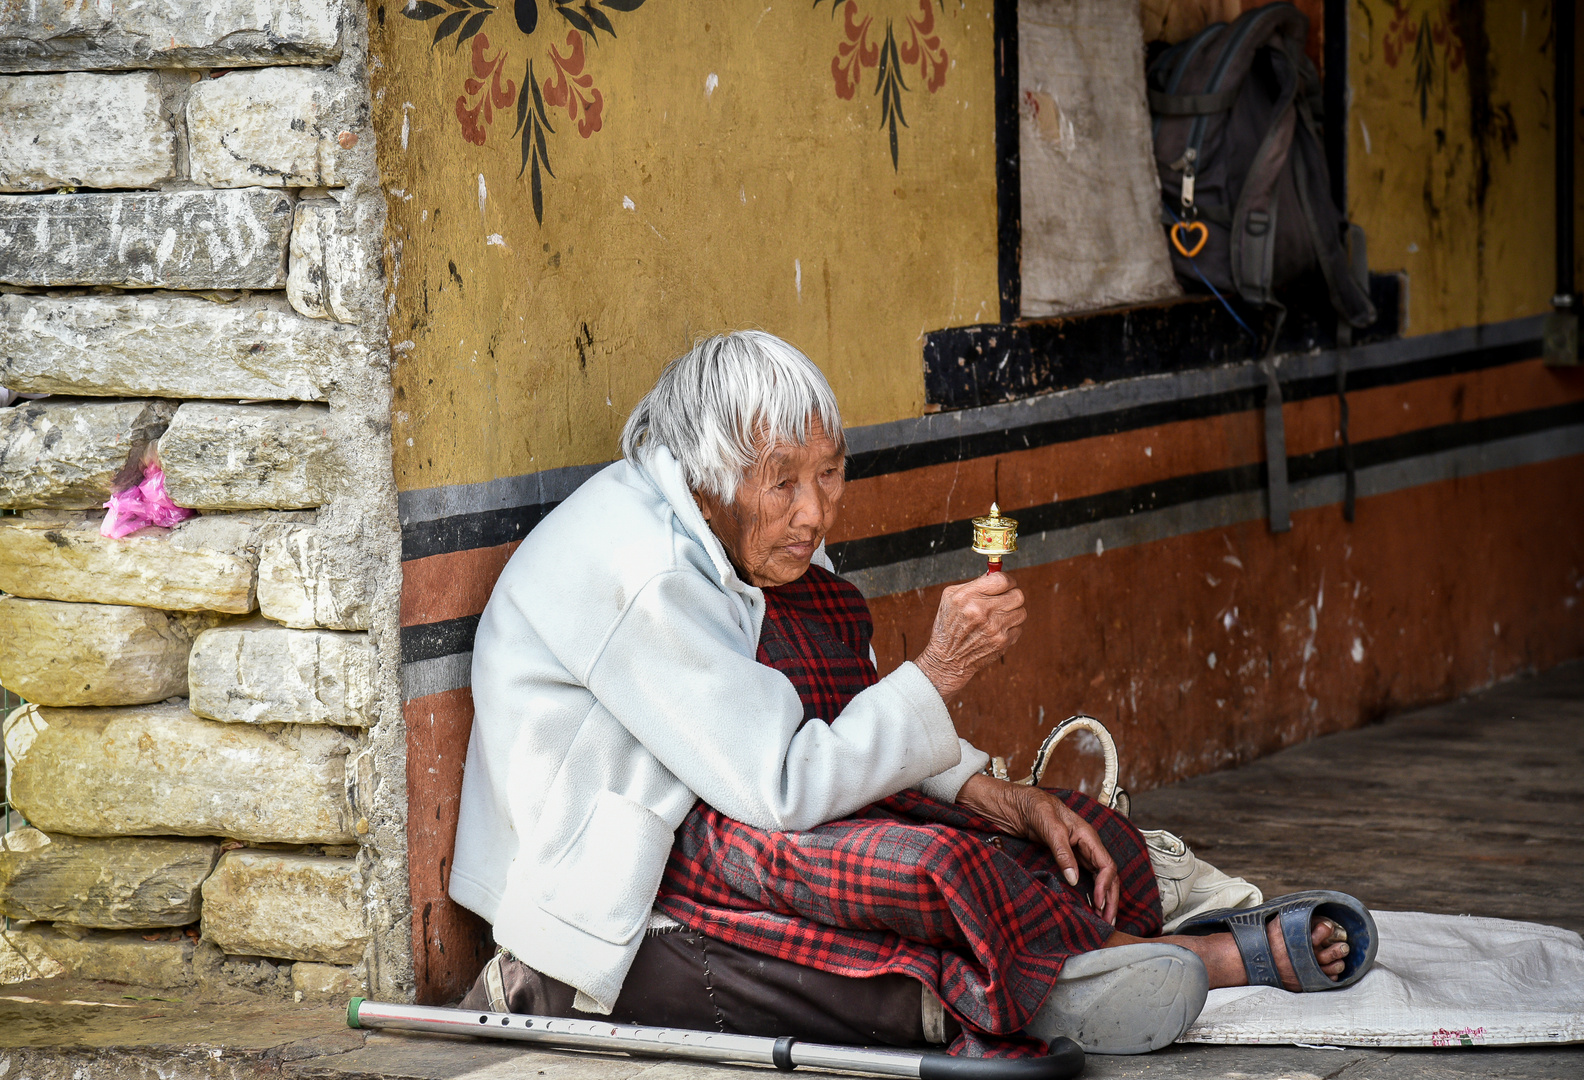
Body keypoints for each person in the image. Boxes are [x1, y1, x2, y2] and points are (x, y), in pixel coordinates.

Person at [451, 331, 1367, 1056]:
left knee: (1065, 829)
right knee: (928, 871)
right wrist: (941, 673)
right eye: (785, 483)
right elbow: (785, 785)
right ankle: (1178, 958)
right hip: (638, 850)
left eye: (830, 471)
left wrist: (994, 792)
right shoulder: (646, 573)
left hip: (741, 787)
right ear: (712, 472)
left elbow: (842, 713)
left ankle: (1082, 965)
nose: (818, 511)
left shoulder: (747, 532)